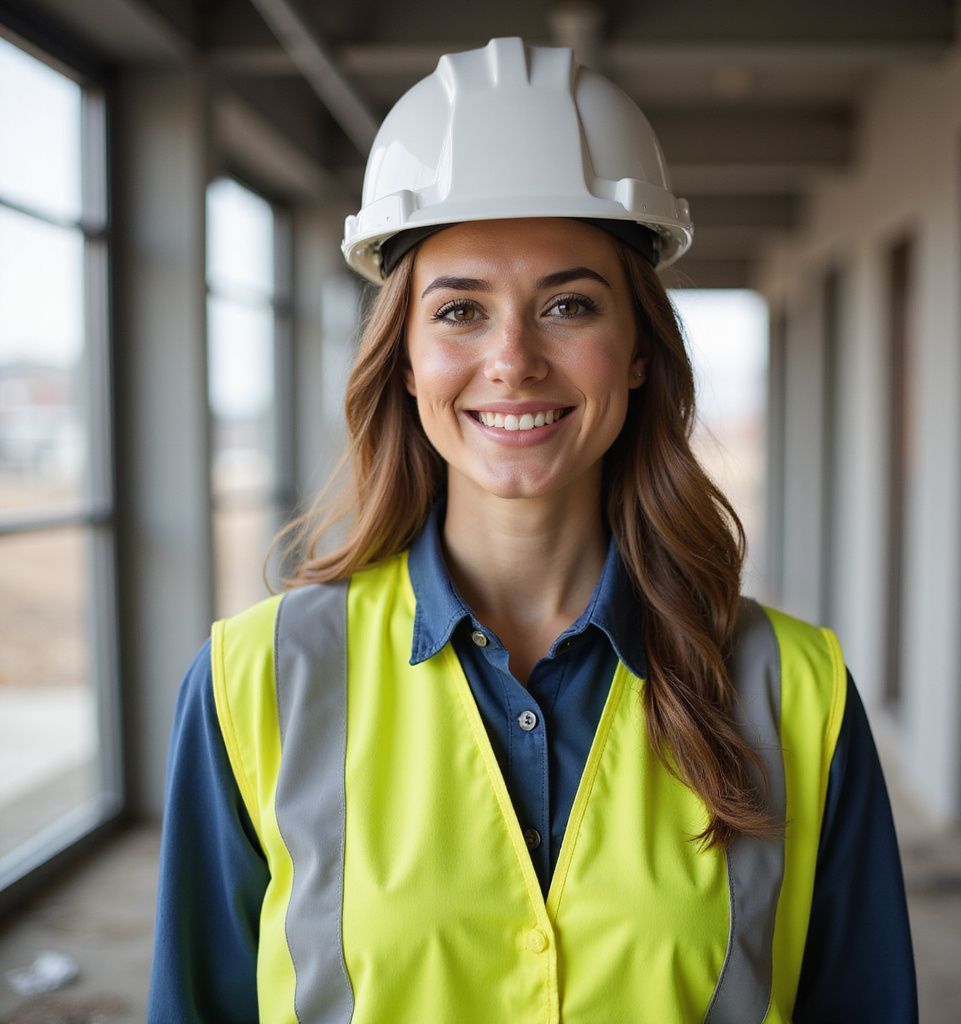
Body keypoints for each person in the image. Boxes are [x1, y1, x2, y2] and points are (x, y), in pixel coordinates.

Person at [148, 36, 917, 1023]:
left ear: (637, 351)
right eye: (460, 310)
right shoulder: (255, 680)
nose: (511, 360)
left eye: (567, 304)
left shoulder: (791, 689)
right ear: (406, 360)